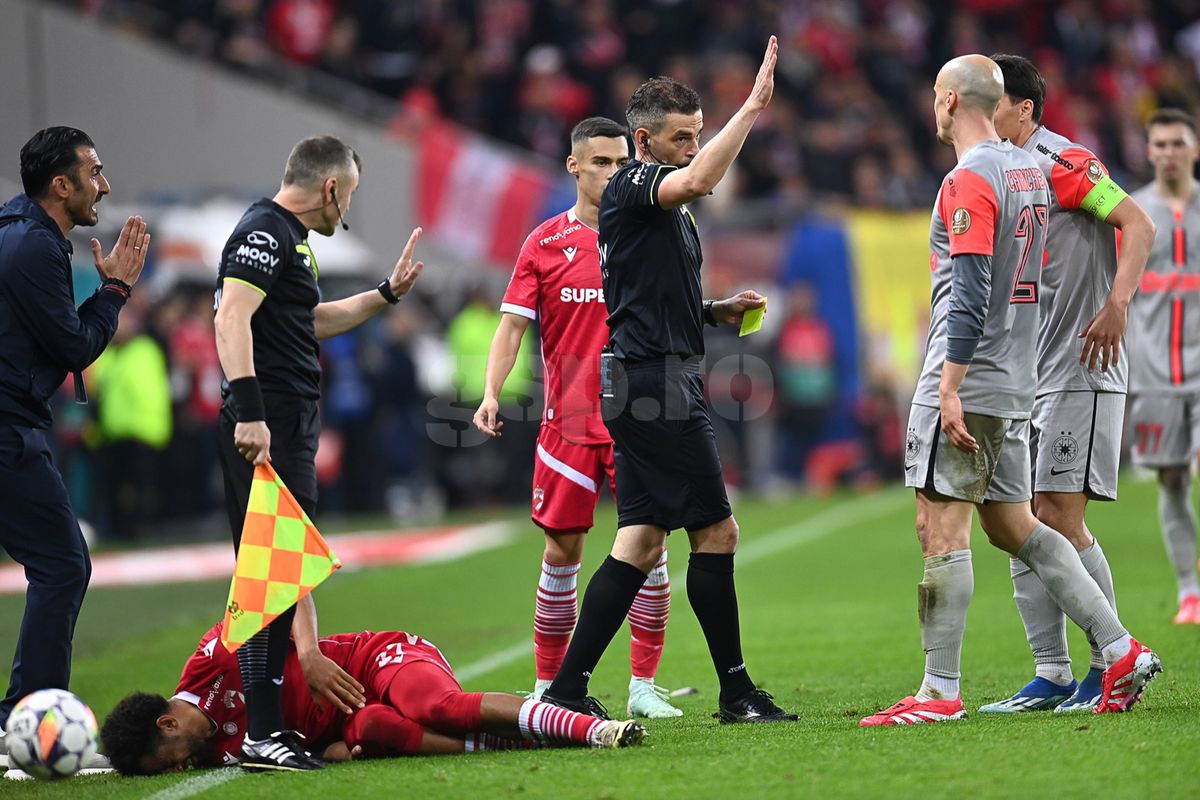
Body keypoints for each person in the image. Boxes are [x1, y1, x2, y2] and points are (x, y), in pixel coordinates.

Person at [860, 55, 1160, 727]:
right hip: (1024, 375)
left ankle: (939, 692)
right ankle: (1116, 649)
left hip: (982, 374)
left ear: (948, 101)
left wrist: (949, 385)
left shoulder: (972, 178)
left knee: (941, 526)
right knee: (1014, 523)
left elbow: (969, 292)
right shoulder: (1029, 170)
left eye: (934, 96)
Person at [540, 37, 797, 725]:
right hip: (653, 386)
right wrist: (752, 108)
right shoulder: (635, 184)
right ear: (644, 140)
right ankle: (736, 692)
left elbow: (643, 292)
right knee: (718, 532)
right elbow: (700, 181)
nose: (693, 147)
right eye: (682, 137)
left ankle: (566, 688)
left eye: (698, 133)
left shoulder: (663, 205)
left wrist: (713, 311)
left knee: (641, 539)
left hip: (645, 379)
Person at [214, 135, 427, 770]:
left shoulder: (291, 240)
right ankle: (262, 731)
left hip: (288, 421)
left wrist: (385, 293)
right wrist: (251, 412)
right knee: (269, 573)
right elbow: (230, 318)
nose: (348, 209)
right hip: (269, 421)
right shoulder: (264, 231)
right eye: (350, 194)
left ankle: (267, 728)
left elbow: (308, 323)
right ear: (330, 187)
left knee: (279, 572)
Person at [472, 116, 682, 719]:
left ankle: (643, 687)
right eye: (601, 163)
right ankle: (547, 686)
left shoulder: (649, 231)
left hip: (639, 420)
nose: (613, 174)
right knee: (562, 552)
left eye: (621, 163)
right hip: (567, 425)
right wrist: (490, 393)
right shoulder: (544, 243)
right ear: (574, 166)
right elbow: (512, 326)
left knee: (651, 550)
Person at [980, 54, 1156, 714]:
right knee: (1019, 516)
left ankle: (1113, 663)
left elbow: (1138, 223)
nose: (982, 111)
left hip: (1081, 365)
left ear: (1024, 108)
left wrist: (1118, 304)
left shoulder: (1065, 162)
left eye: (993, 100)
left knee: (1057, 515)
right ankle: (1051, 673)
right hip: (1032, 371)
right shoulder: (1002, 170)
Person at [0, 127, 149, 748]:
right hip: (7, 429)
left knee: (60, 563)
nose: (104, 186)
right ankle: (28, 721)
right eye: (94, 173)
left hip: (13, 423)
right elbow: (74, 347)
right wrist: (114, 290)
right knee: (63, 564)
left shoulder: (15, 231)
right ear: (61, 185)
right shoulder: (34, 246)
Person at [99, 619, 646, 775]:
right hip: (351, 717)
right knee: (373, 729)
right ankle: (527, 742)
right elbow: (318, 747)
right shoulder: (218, 752)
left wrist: (308, 653)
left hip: (376, 658)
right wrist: (336, 751)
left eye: (170, 761)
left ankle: (588, 727)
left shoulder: (213, 657)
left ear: (167, 724)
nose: (182, 768)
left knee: (437, 708)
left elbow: (287, 580)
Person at [1126, 108, 1200, 625]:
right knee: (1172, 478)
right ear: (1149, 151)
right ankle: (1189, 591)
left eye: (1178, 143)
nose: (1169, 152)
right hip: (1154, 374)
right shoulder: (1133, 214)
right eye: (1160, 144)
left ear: (1194, 148)